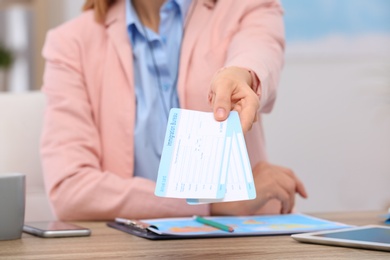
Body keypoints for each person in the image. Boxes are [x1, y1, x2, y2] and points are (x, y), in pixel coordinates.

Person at [40, 0, 307, 221]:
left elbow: (259, 50)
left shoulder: (245, 6)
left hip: (242, 239)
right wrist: (212, 202)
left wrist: (241, 75)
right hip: (128, 247)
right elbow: (70, 190)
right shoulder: (70, 43)